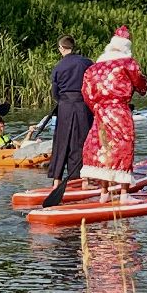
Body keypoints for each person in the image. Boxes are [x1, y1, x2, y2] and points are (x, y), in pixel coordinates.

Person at [81, 26, 147, 200]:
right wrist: (143, 89)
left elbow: (86, 93)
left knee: (103, 147)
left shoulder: (93, 68)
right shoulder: (127, 63)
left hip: (100, 112)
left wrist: (96, 108)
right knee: (124, 146)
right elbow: (140, 83)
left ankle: (104, 192)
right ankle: (124, 194)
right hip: (119, 110)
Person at [43, 35, 94, 203]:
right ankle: (83, 180)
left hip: (65, 106)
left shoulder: (58, 67)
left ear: (61, 48)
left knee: (61, 143)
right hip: (82, 106)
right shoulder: (87, 63)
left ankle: (56, 180)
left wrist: (63, 101)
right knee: (82, 142)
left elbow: (55, 93)